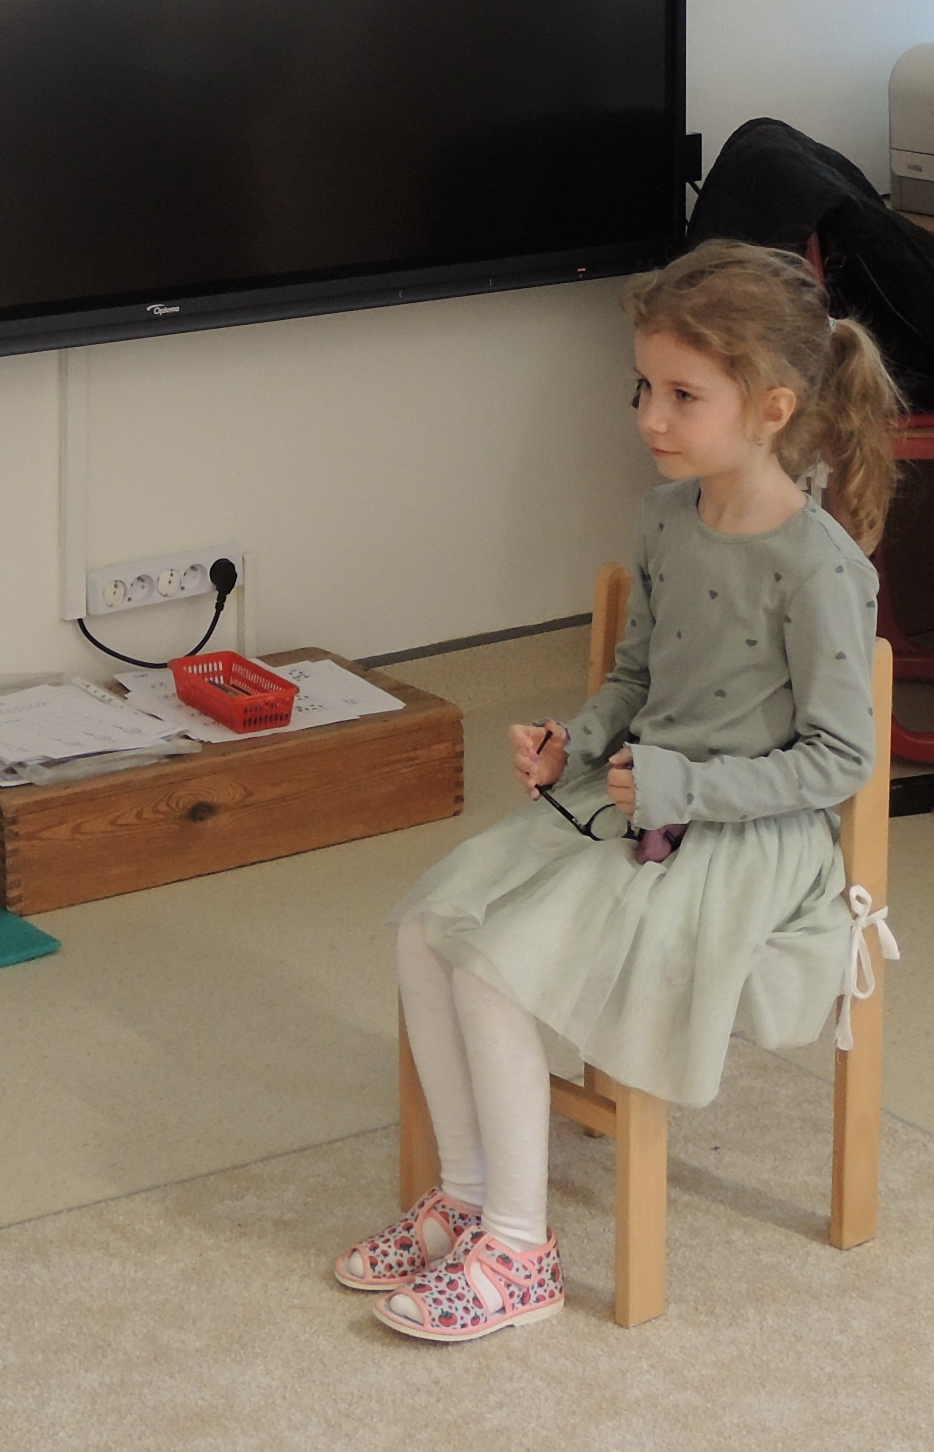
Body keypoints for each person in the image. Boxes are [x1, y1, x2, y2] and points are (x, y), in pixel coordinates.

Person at [344, 242, 894, 1342]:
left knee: (493, 967)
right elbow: (637, 678)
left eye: (684, 395)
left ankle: (521, 1251)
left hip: (747, 838)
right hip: (636, 797)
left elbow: (842, 759)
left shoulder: (821, 569)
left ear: (773, 407)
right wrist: (576, 740)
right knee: (425, 931)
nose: (651, 416)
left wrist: (685, 780)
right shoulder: (663, 518)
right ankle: (466, 1200)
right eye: (644, 387)